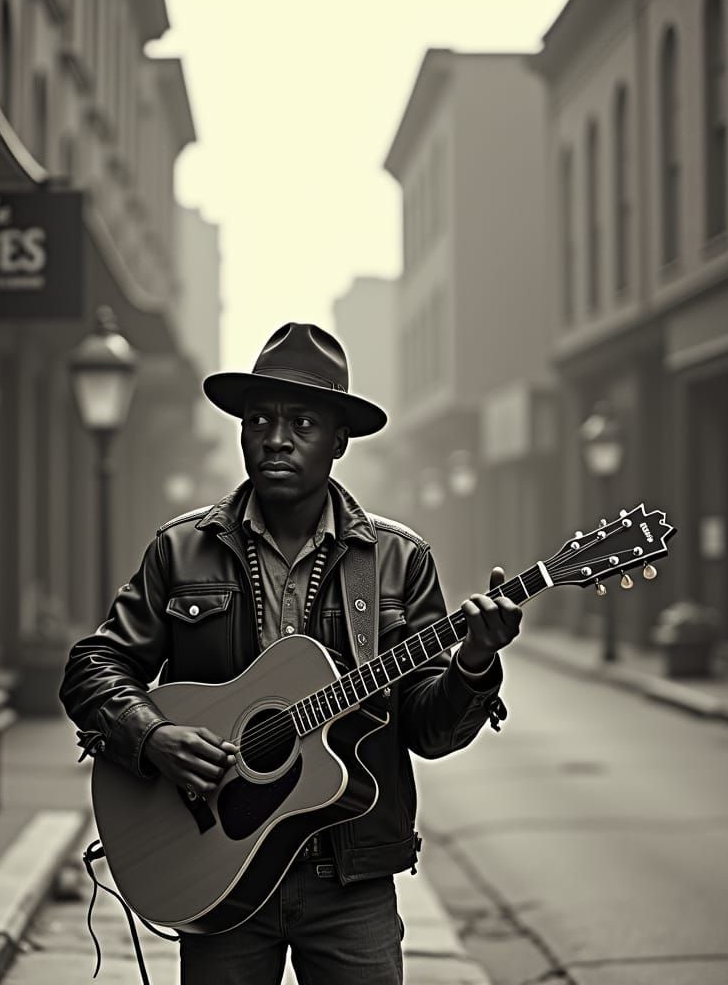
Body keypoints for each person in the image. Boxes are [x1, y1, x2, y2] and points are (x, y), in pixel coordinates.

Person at [60, 322, 523, 984]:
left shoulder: (397, 561)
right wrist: (154, 736)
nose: (277, 438)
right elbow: (93, 667)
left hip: (351, 879)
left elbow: (428, 730)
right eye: (260, 420)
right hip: (219, 870)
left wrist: (474, 664)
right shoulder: (181, 547)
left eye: (302, 422)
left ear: (339, 441)